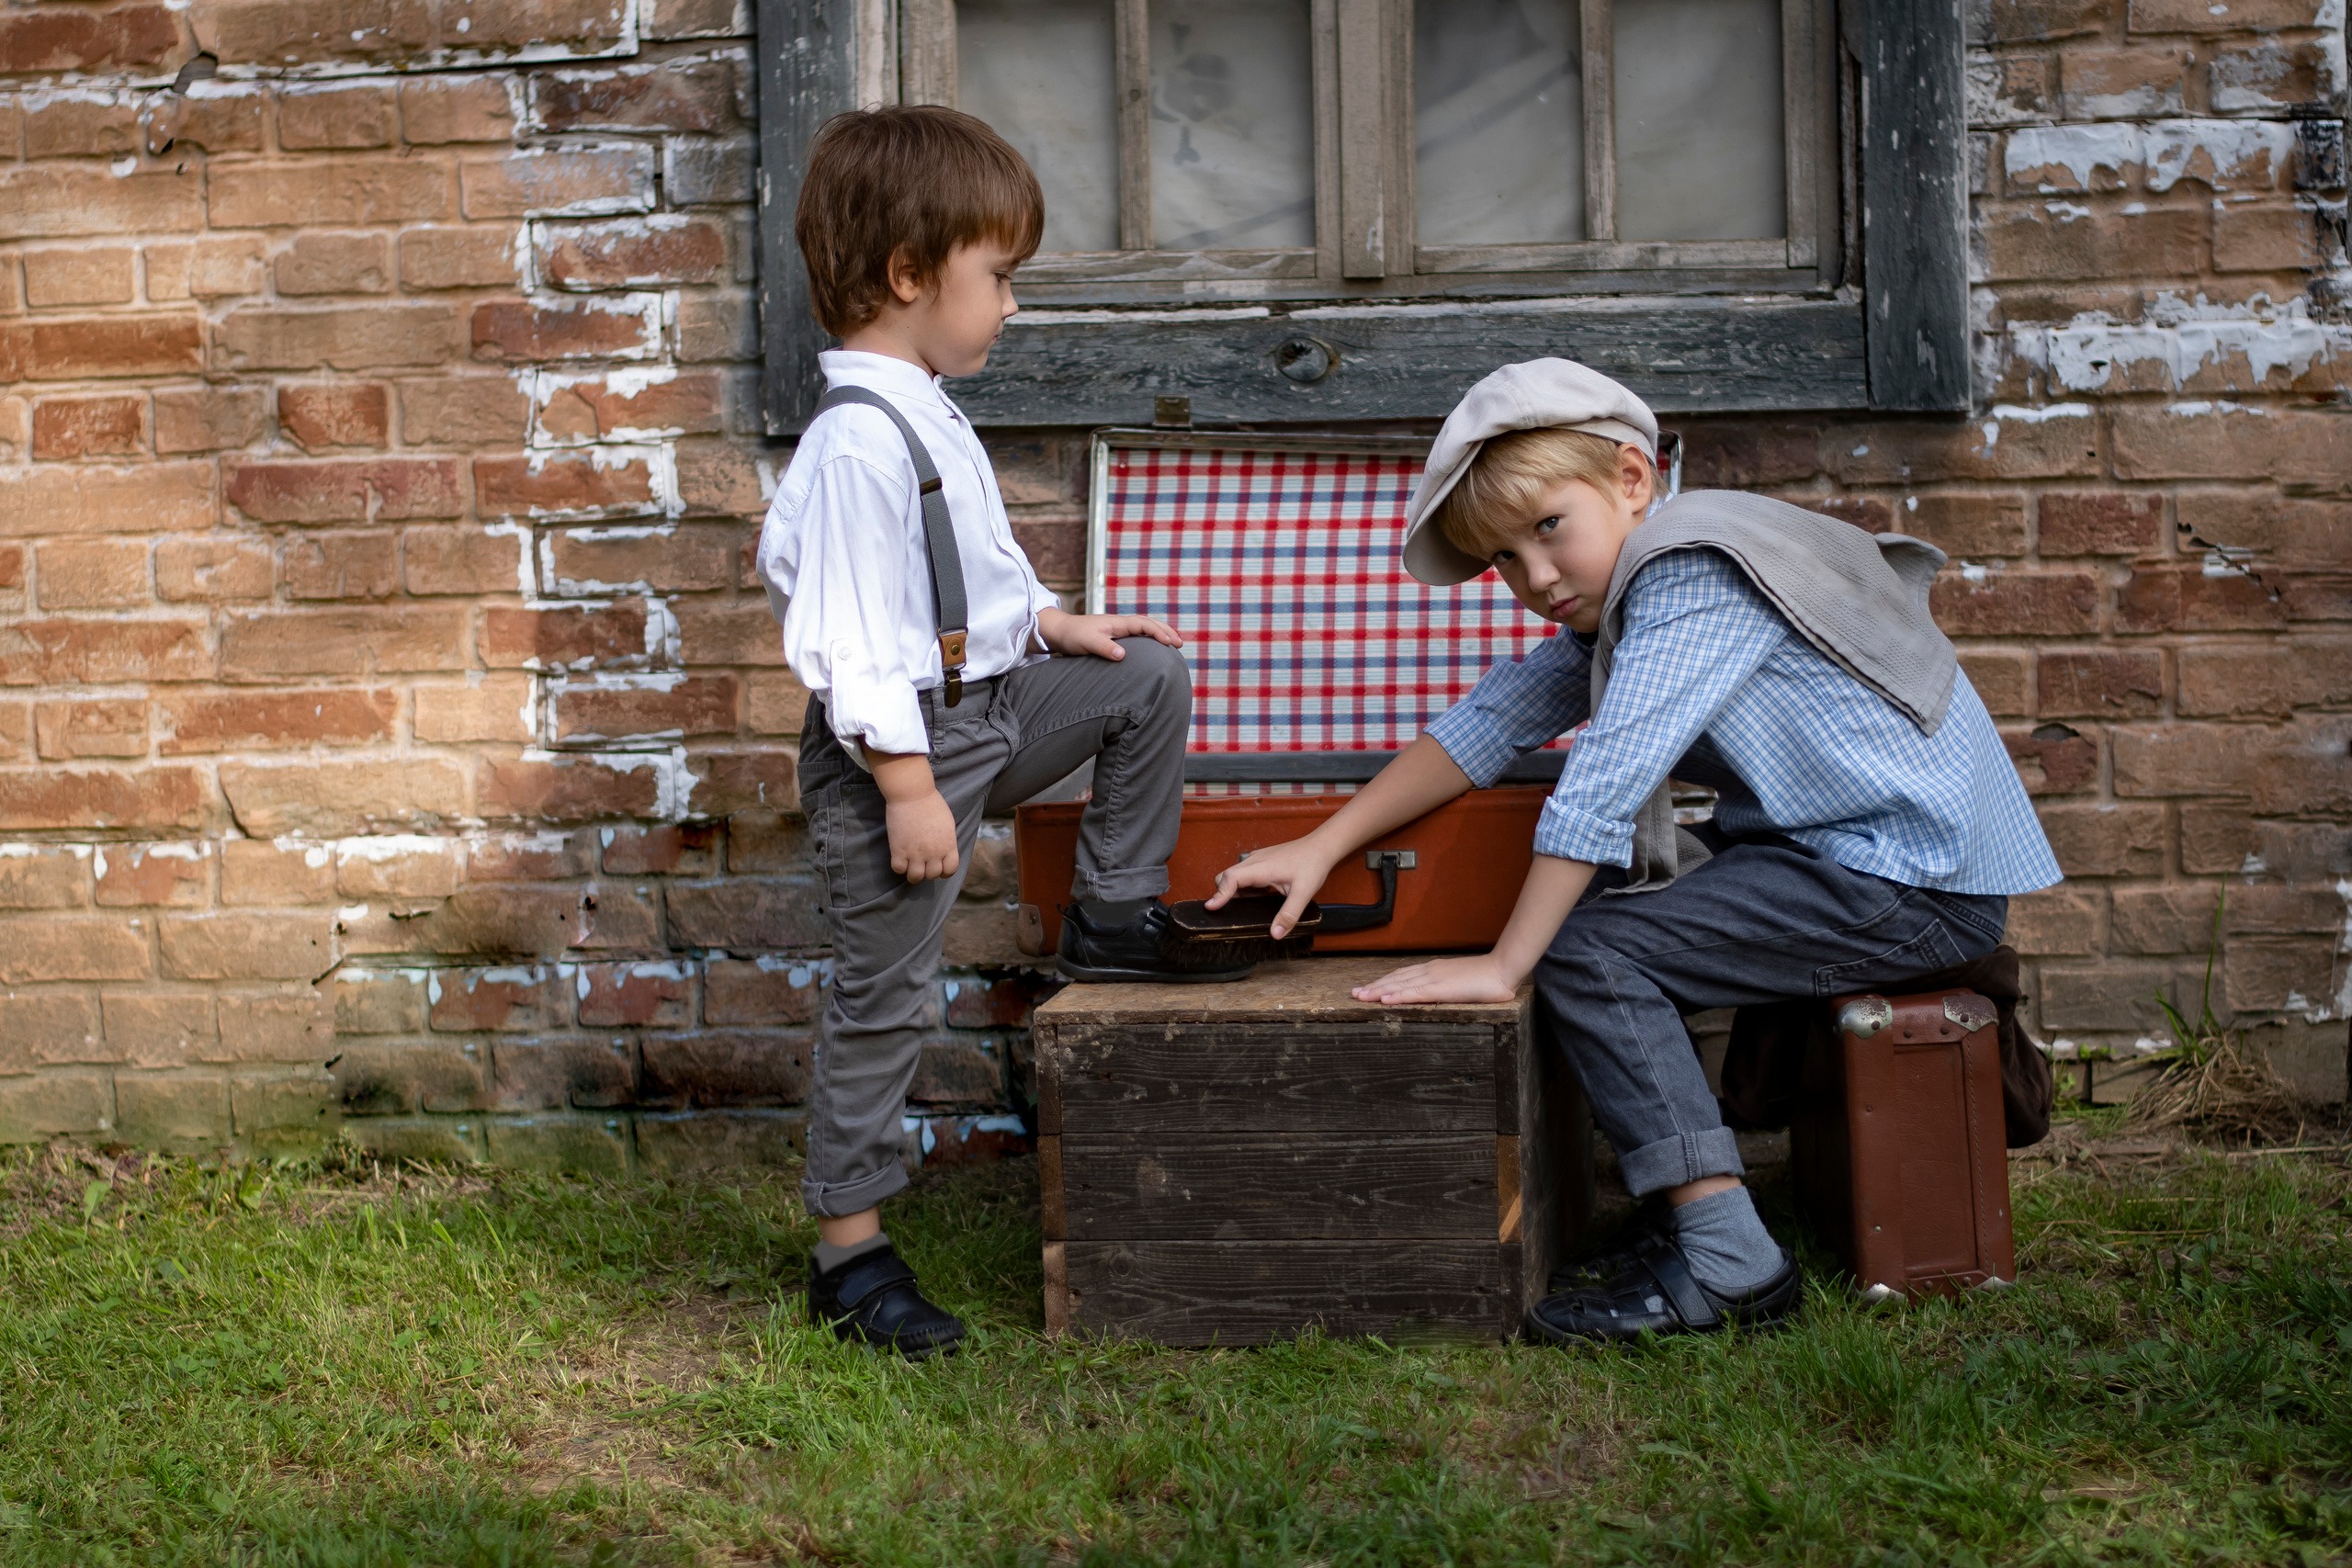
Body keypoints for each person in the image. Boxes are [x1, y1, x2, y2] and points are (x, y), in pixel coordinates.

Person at [1208, 359, 2061, 1346]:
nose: (1534, 578)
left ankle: (1727, 1255)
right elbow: (1489, 725)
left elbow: (1604, 785)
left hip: (1907, 877)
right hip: (1859, 857)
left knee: (1586, 948)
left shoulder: (1692, 571)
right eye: (1502, 561)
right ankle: (1685, 1212)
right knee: (1605, 900)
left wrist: (1506, 963)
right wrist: (1322, 845)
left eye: (1546, 530)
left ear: (1630, 477)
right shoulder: (1636, 587)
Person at [757, 106, 1236, 1359]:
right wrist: (910, 786)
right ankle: (849, 1253)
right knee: (885, 994)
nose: (1012, 306)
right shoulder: (859, 440)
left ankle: (1114, 911)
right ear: (913, 276)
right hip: (898, 754)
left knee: (1147, 677)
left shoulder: (925, 408)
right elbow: (857, 634)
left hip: (985, 709)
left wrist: (1055, 622)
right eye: (999, 277)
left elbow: (961, 579)